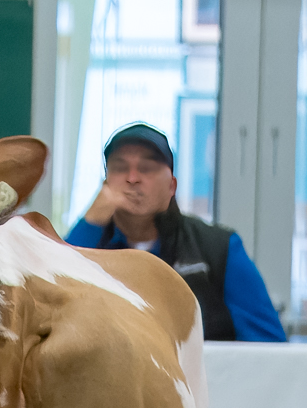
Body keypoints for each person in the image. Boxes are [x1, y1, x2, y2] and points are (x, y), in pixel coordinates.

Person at [65, 123, 289, 343]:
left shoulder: (218, 248)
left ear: (171, 186)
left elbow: (270, 347)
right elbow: (53, 304)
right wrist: (91, 223)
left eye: (146, 168)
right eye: (120, 168)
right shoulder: (88, 245)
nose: (132, 178)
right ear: (105, 182)